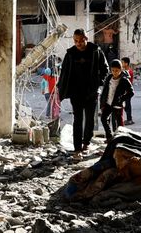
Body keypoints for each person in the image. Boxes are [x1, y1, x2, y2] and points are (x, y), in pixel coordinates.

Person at [57, 29, 108, 160]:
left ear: (86, 38)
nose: (78, 43)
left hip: (91, 92)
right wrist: (62, 90)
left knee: (90, 119)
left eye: (81, 40)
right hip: (76, 93)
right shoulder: (70, 54)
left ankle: (87, 142)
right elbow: (64, 74)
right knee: (78, 120)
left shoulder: (95, 51)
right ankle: (77, 148)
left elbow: (105, 69)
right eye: (76, 41)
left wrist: (98, 83)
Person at [100, 59, 134, 142]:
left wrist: (121, 99)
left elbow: (131, 92)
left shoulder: (124, 80)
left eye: (117, 70)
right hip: (108, 103)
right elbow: (105, 90)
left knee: (119, 123)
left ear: (121, 70)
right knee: (103, 119)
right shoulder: (109, 78)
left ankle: (120, 139)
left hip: (117, 104)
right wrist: (102, 102)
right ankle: (109, 136)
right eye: (113, 70)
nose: (115, 72)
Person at [121, 57, 135, 124]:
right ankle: (129, 119)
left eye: (123, 62)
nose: (122, 64)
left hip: (127, 91)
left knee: (127, 105)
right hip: (127, 91)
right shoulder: (127, 71)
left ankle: (129, 119)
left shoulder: (128, 72)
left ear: (126, 63)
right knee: (127, 105)